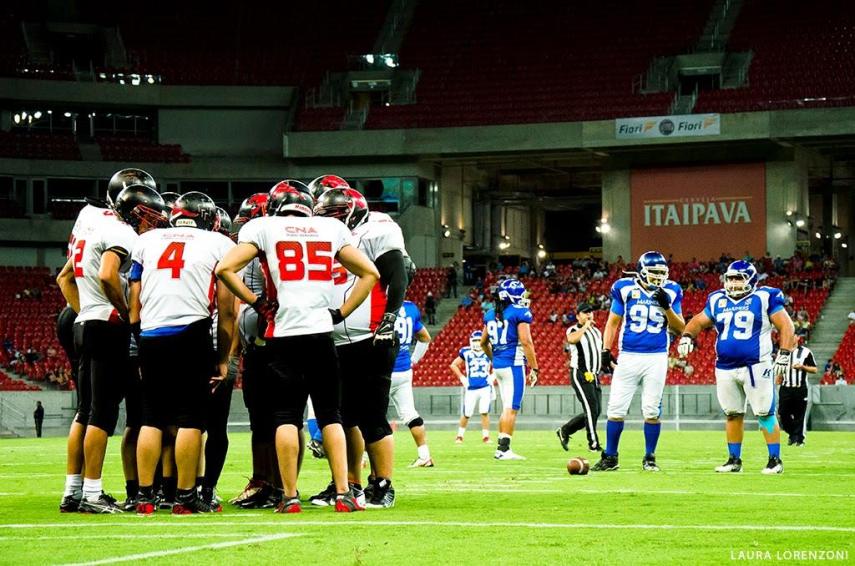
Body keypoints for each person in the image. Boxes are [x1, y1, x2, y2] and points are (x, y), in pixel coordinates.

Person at [217, 181, 379, 513]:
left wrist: (256, 302)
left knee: (285, 417)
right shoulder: (331, 227)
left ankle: (289, 496)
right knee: (331, 416)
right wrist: (341, 312)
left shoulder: (262, 226)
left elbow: (224, 269)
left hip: (283, 334)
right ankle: (345, 493)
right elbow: (370, 273)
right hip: (320, 333)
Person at [56, 169, 160, 514]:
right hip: (105, 325)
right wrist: (124, 310)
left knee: (85, 411)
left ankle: (73, 490)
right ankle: (92, 493)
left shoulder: (94, 225)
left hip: (86, 323)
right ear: (131, 209)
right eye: (147, 211)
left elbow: (64, 276)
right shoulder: (120, 233)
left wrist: (85, 308)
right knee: (102, 413)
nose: (152, 218)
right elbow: (106, 273)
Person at [128, 190, 236, 515]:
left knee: (152, 417)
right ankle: (186, 496)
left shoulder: (147, 241)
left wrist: (141, 337)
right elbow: (228, 310)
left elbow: (134, 307)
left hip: (150, 333)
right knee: (191, 418)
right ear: (208, 220)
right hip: (192, 332)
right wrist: (222, 357)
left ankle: (145, 496)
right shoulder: (218, 244)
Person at [312, 188, 408, 509]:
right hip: (336, 340)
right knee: (342, 416)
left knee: (371, 415)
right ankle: (348, 484)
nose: (330, 223)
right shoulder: (323, 238)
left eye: (336, 216)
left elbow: (399, 272)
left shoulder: (377, 229)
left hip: (370, 337)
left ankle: (382, 483)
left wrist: (389, 318)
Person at [678, 260, 795, 474]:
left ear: (750, 279)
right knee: (732, 413)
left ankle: (774, 459)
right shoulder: (717, 299)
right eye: (731, 278)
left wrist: (785, 353)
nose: (733, 283)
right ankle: (734, 460)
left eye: (738, 278)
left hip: (756, 365)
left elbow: (786, 325)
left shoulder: (764, 296)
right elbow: (698, 321)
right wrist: (687, 335)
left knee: (765, 414)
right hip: (725, 366)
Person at [592, 251, 684, 472]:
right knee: (616, 409)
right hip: (629, 355)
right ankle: (611, 457)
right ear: (642, 272)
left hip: (657, 356)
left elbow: (680, 328)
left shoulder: (671, 290)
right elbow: (613, 322)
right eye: (653, 273)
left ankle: (650, 456)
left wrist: (667, 307)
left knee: (651, 410)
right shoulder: (624, 288)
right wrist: (605, 350)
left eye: (662, 273)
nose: (658, 277)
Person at [480, 278, 539, 460]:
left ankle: (501, 448)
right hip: (513, 364)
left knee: (506, 408)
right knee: (511, 408)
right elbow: (526, 342)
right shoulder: (519, 312)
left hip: (498, 365)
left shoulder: (491, 314)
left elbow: (483, 342)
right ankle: (504, 450)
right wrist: (535, 368)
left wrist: (494, 358)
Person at [556, 303, 603, 452]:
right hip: (580, 373)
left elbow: (598, 353)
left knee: (595, 410)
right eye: (585, 313)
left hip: (594, 375)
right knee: (590, 408)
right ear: (578, 316)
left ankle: (565, 430)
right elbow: (571, 339)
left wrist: (612, 365)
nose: (589, 315)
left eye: (591, 312)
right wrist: (585, 326)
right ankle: (593, 443)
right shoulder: (574, 329)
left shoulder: (596, 332)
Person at [392, 300, 433, 467]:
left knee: (367, 415)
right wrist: (413, 360)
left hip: (383, 370)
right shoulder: (410, 308)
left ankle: (362, 458)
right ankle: (424, 456)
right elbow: (425, 338)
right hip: (404, 370)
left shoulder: (379, 303)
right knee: (410, 414)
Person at [451, 331, 494, 443]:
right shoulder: (466, 352)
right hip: (471, 388)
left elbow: (498, 364)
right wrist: (462, 377)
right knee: (467, 413)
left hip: (485, 386)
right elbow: (454, 364)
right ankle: (460, 436)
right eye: (475, 340)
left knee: (484, 411)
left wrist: (493, 376)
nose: (477, 343)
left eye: (479, 340)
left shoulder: (489, 350)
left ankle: (486, 436)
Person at [777, 339, 817, 446]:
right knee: (782, 414)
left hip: (800, 388)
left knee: (799, 414)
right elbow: (779, 369)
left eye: (792, 335)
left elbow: (814, 369)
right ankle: (793, 434)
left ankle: (799, 439)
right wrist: (778, 377)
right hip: (785, 388)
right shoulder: (782, 352)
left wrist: (802, 367)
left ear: (797, 338)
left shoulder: (806, 352)